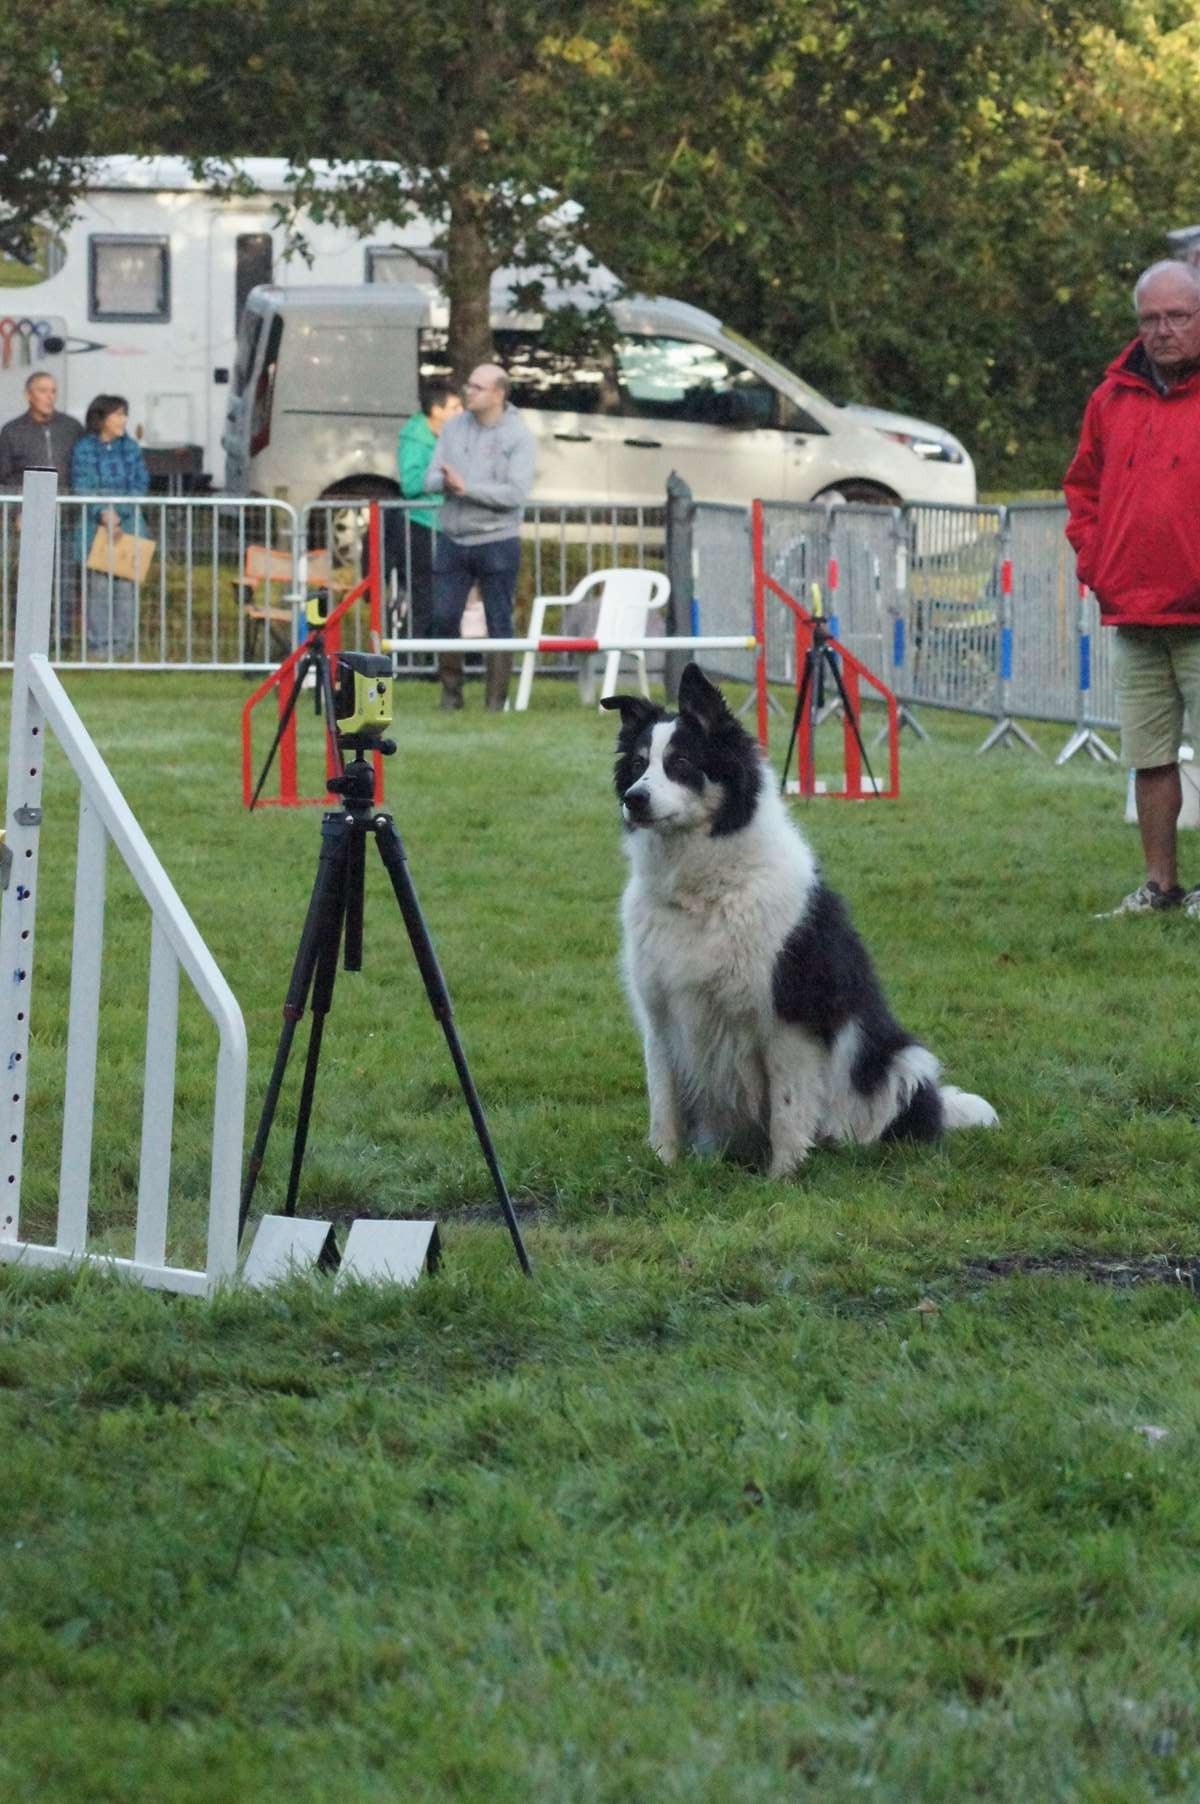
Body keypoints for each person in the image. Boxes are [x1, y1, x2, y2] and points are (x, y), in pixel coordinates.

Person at [1064, 259, 1200, 916]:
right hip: (1134, 611)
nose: (1164, 330)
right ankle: (1161, 885)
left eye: (1179, 316)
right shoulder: (1110, 400)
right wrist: (1096, 561)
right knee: (1148, 758)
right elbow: (1082, 489)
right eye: (1152, 318)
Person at [424, 362, 537, 711]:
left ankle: (494, 703)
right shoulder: (454, 427)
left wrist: (467, 488)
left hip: (497, 540)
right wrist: (444, 482)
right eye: (468, 385)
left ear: (498, 394)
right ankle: (451, 696)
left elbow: (516, 494)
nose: (467, 392)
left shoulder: (518, 436)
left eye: (476, 387)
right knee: (443, 617)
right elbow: (428, 480)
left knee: (499, 621)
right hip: (453, 537)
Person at [71, 395, 151, 658]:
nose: (123, 419)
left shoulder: (131, 448)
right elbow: (82, 483)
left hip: (128, 527)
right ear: (101, 418)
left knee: (125, 587)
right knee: (98, 587)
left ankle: (122, 647)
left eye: (124, 414)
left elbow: (139, 483)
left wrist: (119, 514)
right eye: (117, 414)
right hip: (95, 527)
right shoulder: (84, 448)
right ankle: (99, 647)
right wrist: (102, 514)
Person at [395, 377, 462, 641]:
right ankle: (417, 659)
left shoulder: (448, 436)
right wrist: (444, 480)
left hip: (443, 524)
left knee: (445, 596)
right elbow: (410, 484)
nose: (461, 413)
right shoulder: (415, 440)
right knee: (424, 596)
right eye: (455, 408)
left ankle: (439, 657)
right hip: (421, 525)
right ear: (436, 411)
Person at [0, 371, 83, 493]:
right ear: (28, 395)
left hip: (68, 505)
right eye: (43, 391)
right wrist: (17, 507)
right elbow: (5, 475)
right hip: (27, 506)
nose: (50, 397)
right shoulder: (12, 431)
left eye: (53, 391)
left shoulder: (72, 427)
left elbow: (83, 469)